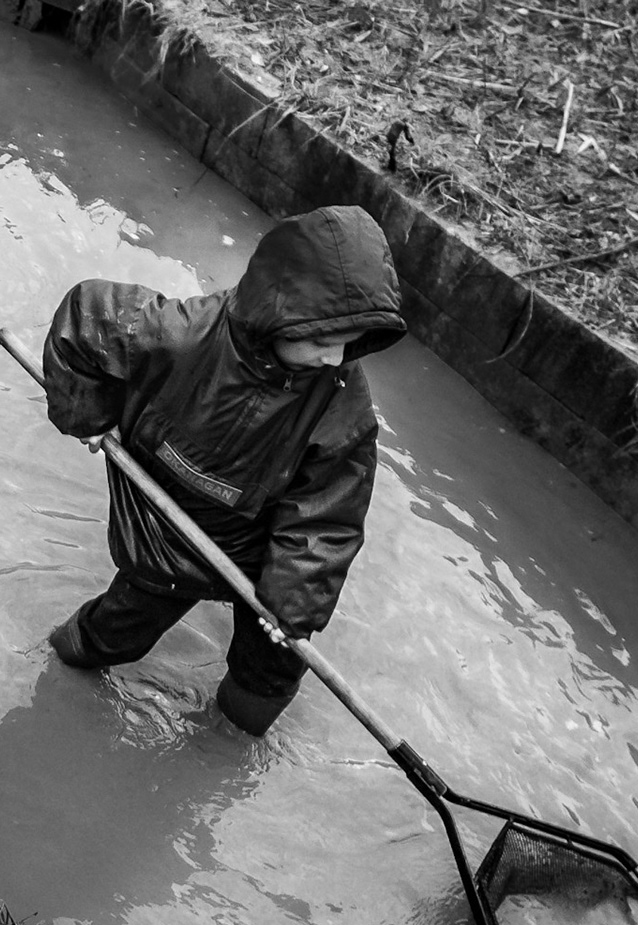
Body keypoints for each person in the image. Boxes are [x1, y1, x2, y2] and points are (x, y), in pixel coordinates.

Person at [42, 204, 405, 736]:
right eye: (322, 343)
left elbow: (326, 519)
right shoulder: (182, 333)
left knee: (271, 672)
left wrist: (292, 606)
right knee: (115, 632)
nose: (335, 359)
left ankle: (225, 744)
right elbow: (85, 318)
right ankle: (55, 666)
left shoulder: (342, 402)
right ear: (281, 316)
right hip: (169, 530)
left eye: (346, 345)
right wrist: (89, 415)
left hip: (262, 553)